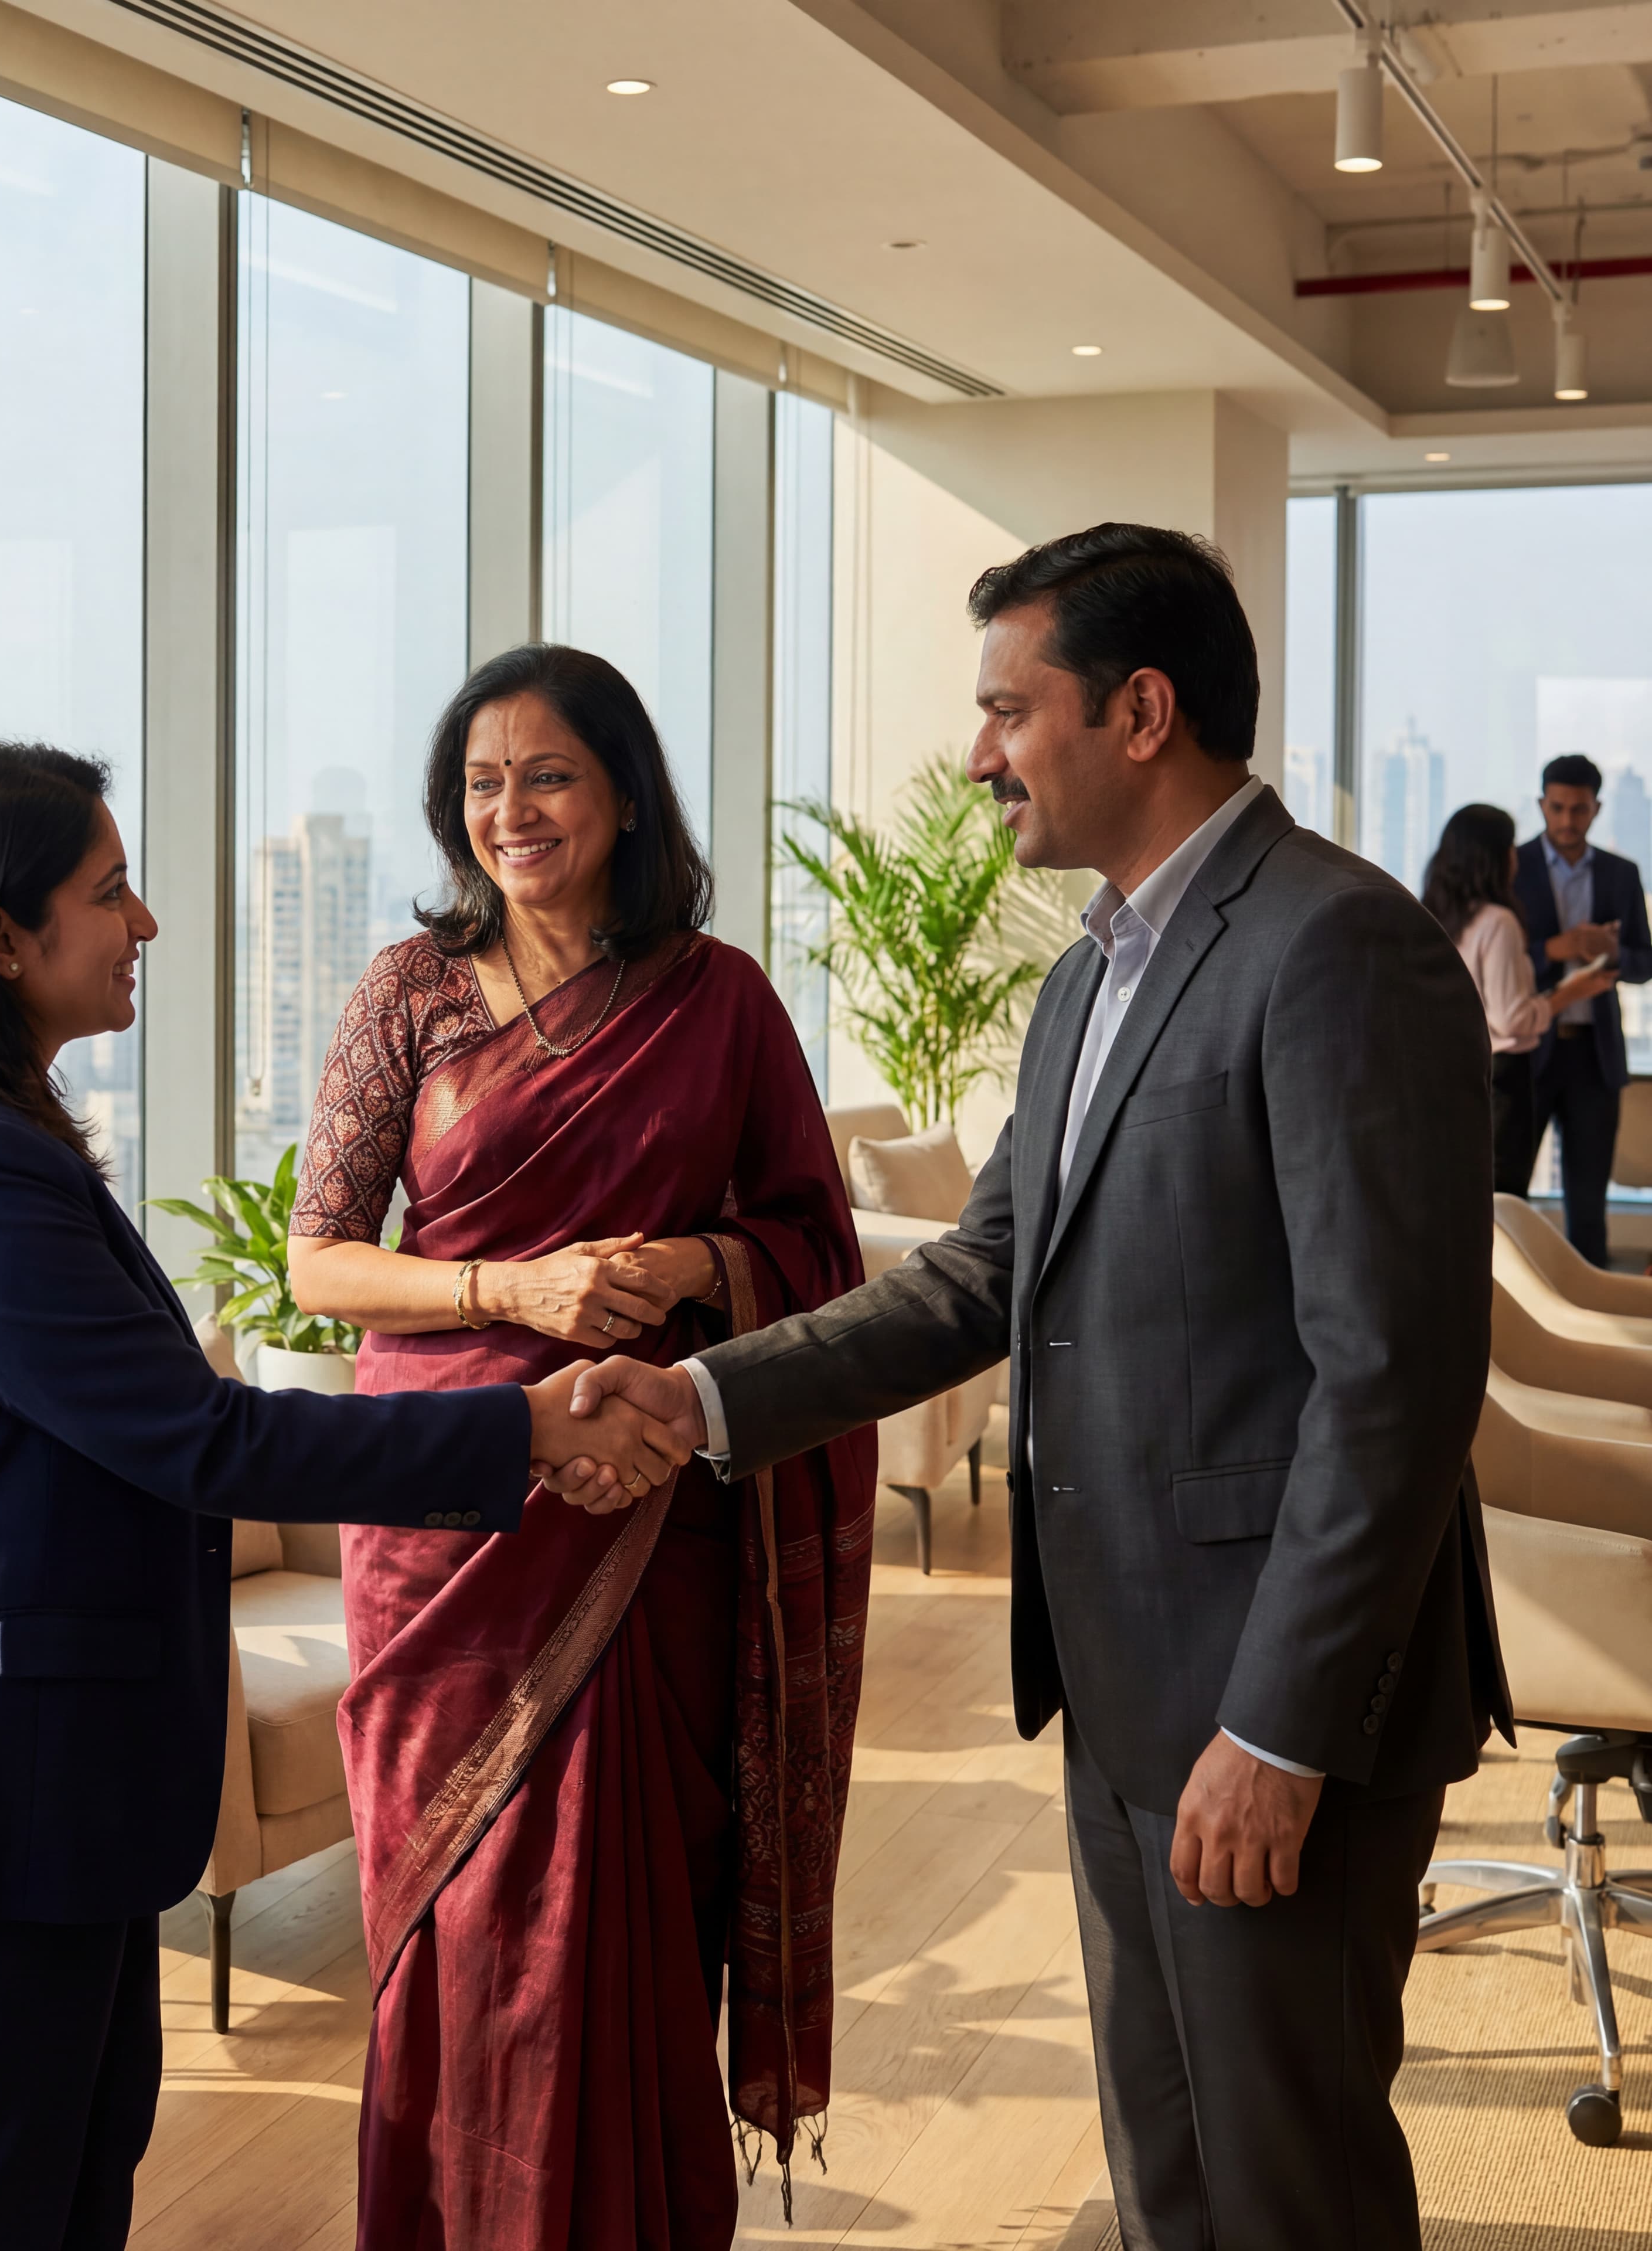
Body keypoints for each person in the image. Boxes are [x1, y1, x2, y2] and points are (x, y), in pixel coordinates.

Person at [572, 526, 1511, 2251]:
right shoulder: (1087, 969)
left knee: (1282, 2182)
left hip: (1270, 1702)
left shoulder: (1333, 946)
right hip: (1122, 1678)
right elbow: (977, 1277)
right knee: (1169, 2171)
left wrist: (1278, 1726)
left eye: (1008, 707)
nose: (974, 752)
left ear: (1138, 709)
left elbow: (1389, 1379)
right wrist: (695, 1396)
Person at [0, 741, 682, 2251]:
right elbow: (201, 1439)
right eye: (109, 891)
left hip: (25, 1774)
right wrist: (521, 1429)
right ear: (0, 934)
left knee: (65, 2172)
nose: (147, 923)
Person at [285, 645, 877, 2249]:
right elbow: (321, 1262)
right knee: (463, 1919)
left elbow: (813, 1248)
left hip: (654, 1500)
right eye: (482, 783)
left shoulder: (720, 998)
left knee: (631, 1913)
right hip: (451, 1513)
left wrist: (683, 1272)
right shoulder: (406, 994)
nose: (512, 810)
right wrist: (514, 1285)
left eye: (546, 775)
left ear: (622, 793)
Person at [1423, 803, 1615, 1195]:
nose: (1517, 857)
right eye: (1510, 846)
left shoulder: (1436, 912)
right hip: (1503, 1077)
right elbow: (1512, 1020)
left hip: (1452, 1069)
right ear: (1494, 857)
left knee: (1469, 1197)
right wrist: (1569, 994)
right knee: (1504, 1199)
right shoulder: (1499, 922)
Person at [1512, 752, 1652, 1268]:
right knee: (1508, 1194)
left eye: (1579, 809)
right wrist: (1557, 948)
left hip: (1594, 1057)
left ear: (1597, 809)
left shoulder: (1621, 873)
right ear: (1541, 806)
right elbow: (1489, 960)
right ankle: (1511, 1308)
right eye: (1558, 808)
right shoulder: (1513, 866)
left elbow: (1644, 963)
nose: (1567, 821)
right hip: (1528, 1054)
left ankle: (1589, 1315)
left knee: (1588, 1205)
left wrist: (1610, 951)